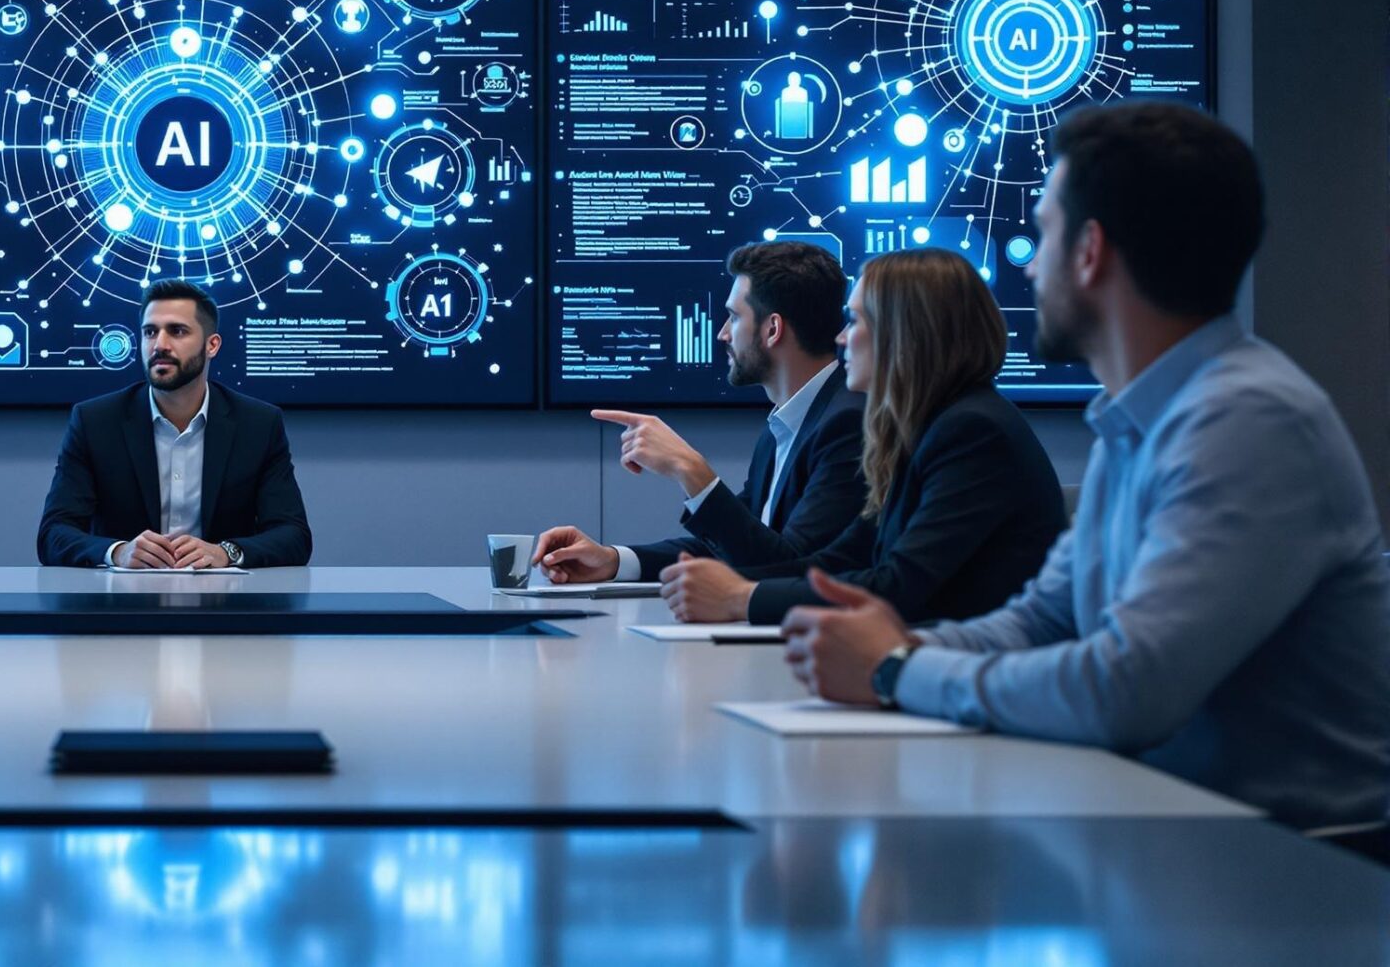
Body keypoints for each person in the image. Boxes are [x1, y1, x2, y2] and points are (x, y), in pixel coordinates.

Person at [782, 102, 1390, 830]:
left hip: (1282, 871)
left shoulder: (1249, 420)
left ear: (1089, 251)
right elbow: (1045, 618)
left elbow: (1128, 687)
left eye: (1042, 230)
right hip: (1166, 831)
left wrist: (896, 668)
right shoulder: (1134, 419)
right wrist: (901, 646)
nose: (1032, 263)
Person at [655, 247, 1065, 625]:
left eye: (855, 321)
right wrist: (728, 588)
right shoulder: (923, 429)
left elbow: (896, 587)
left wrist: (741, 598)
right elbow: (836, 562)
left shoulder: (972, 431)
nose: (840, 338)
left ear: (905, 333)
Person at [533, 241, 864, 584]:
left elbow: (788, 570)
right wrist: (613, 561)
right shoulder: (787, 425)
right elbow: (735, 546)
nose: (722, 334)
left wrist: (689, 469)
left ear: (772, 329)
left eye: (734, 317)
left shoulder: (848, 425)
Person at [38, 280, 313, 569]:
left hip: (228, 601)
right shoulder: (95, 422)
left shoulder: (258, 424)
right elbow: (53, 534)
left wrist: (225, 553)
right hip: (120, 601)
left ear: (212, 345)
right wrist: (118, 552)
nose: (160, 345)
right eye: (150, 332)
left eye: (177, 331)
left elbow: (293, 535)